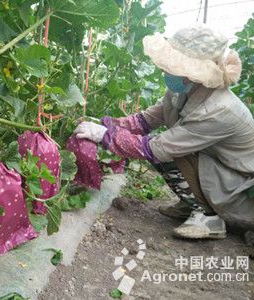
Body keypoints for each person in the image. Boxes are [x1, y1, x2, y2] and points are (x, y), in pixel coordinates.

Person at [74, 25, 254, 240]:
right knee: (171, 149)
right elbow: (147, 119)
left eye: (173, 65)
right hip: (216, 166)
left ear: (191, 72)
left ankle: (209, 217)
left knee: (169, 152)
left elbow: (158, 148)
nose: (165, 70)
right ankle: (193, 203)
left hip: (238, 184)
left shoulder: (219, 109)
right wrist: (109, 124)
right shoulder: (186, 88)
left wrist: (104, 135)